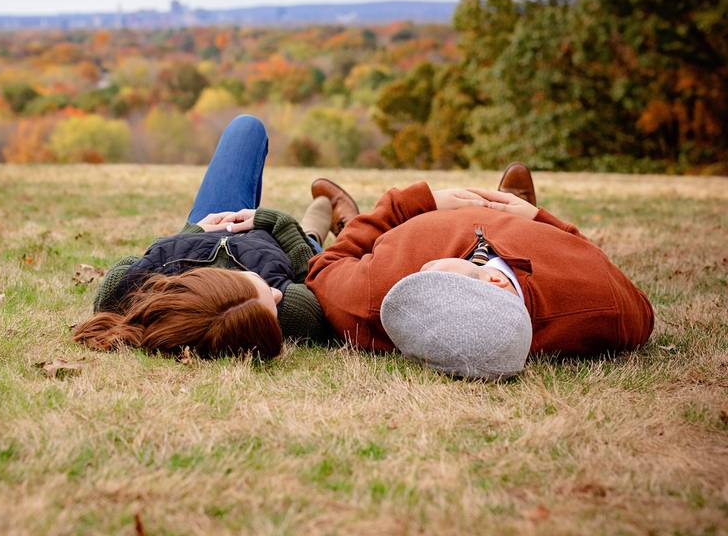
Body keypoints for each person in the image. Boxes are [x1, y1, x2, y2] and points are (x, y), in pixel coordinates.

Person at [305, 164, 655, 379]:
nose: (421, 269)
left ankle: (349, 219)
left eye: (422, 277)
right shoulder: (602, 306)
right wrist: (537, 218)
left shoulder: (377, 296)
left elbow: (326, 267)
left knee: (361, 239)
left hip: (413, 222)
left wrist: (410, 204)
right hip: (531, 231)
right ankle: (514, 203)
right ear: (495, 280)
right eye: (434, 275)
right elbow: (602, 268)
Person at [73, 114, 358, 359]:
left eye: (260, 286)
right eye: (273, 305)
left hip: (214, 228)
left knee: (246, 128)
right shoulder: (290, 310)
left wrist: (192, 235)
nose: (277, 293)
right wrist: (277, 222)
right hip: (280, 246)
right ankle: (334, 217)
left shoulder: (142, 294)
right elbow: (314, 277)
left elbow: (119, 279)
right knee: (312, 242)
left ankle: (326, 214)